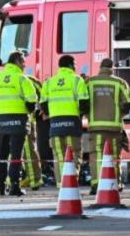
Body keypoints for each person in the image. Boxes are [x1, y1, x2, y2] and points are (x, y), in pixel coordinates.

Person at [0, 51, 37, 196]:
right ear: (18, 61)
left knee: (1, 154)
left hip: (1, 121)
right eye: (24, 62)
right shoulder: (22, 79)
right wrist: (27, 111)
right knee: (16, 155)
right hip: (19, 120)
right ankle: (14, 186)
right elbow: (32, 101)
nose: (25, 65)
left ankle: (1, 186)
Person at [40, 55, 89, 188]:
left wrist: (52, 113)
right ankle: (72, 182)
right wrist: (81, 114)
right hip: (72, 124)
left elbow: (43, 104)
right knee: (74, 153)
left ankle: (61, 184)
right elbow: (84, 103)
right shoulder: (77, 80)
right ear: (71, 65)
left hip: (55, 125)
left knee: (59, 156)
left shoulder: (49, 82)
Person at [86, 58, 130, 195]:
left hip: (96, 127)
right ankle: (115, 184)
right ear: (112, 68)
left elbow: (83, 102)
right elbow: (128, 104)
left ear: (100, 67)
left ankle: (96, 185)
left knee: (97, 156)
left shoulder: (89, 82)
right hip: (114, 127)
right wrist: (119, 113)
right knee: (114, 156)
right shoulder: (120, 83)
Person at [20, 74, 43, 191]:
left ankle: (34, 178)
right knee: (26, 150)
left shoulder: (1, 79)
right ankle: (31, 177)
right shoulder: (31, 80)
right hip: (26, 120)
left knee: (27, 150)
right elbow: (43, 95)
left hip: (23, 121)